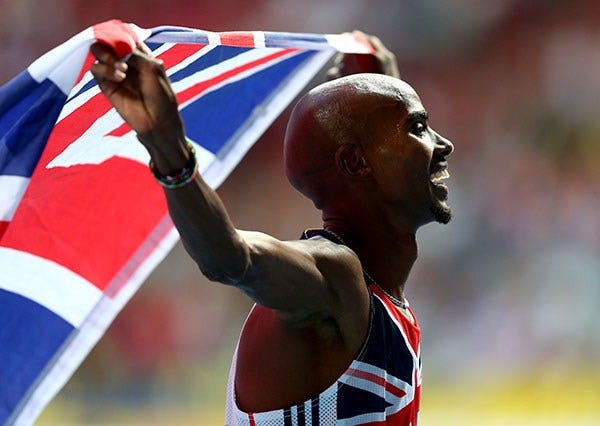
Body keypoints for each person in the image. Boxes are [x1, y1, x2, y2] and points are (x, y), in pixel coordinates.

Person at [90, 32, 453, 425]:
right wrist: (166, 145)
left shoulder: (376, 293)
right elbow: (231, 258)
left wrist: (384, 87)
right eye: (418, 128)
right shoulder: (334, 278)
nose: (444, 144)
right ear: (356, 163)